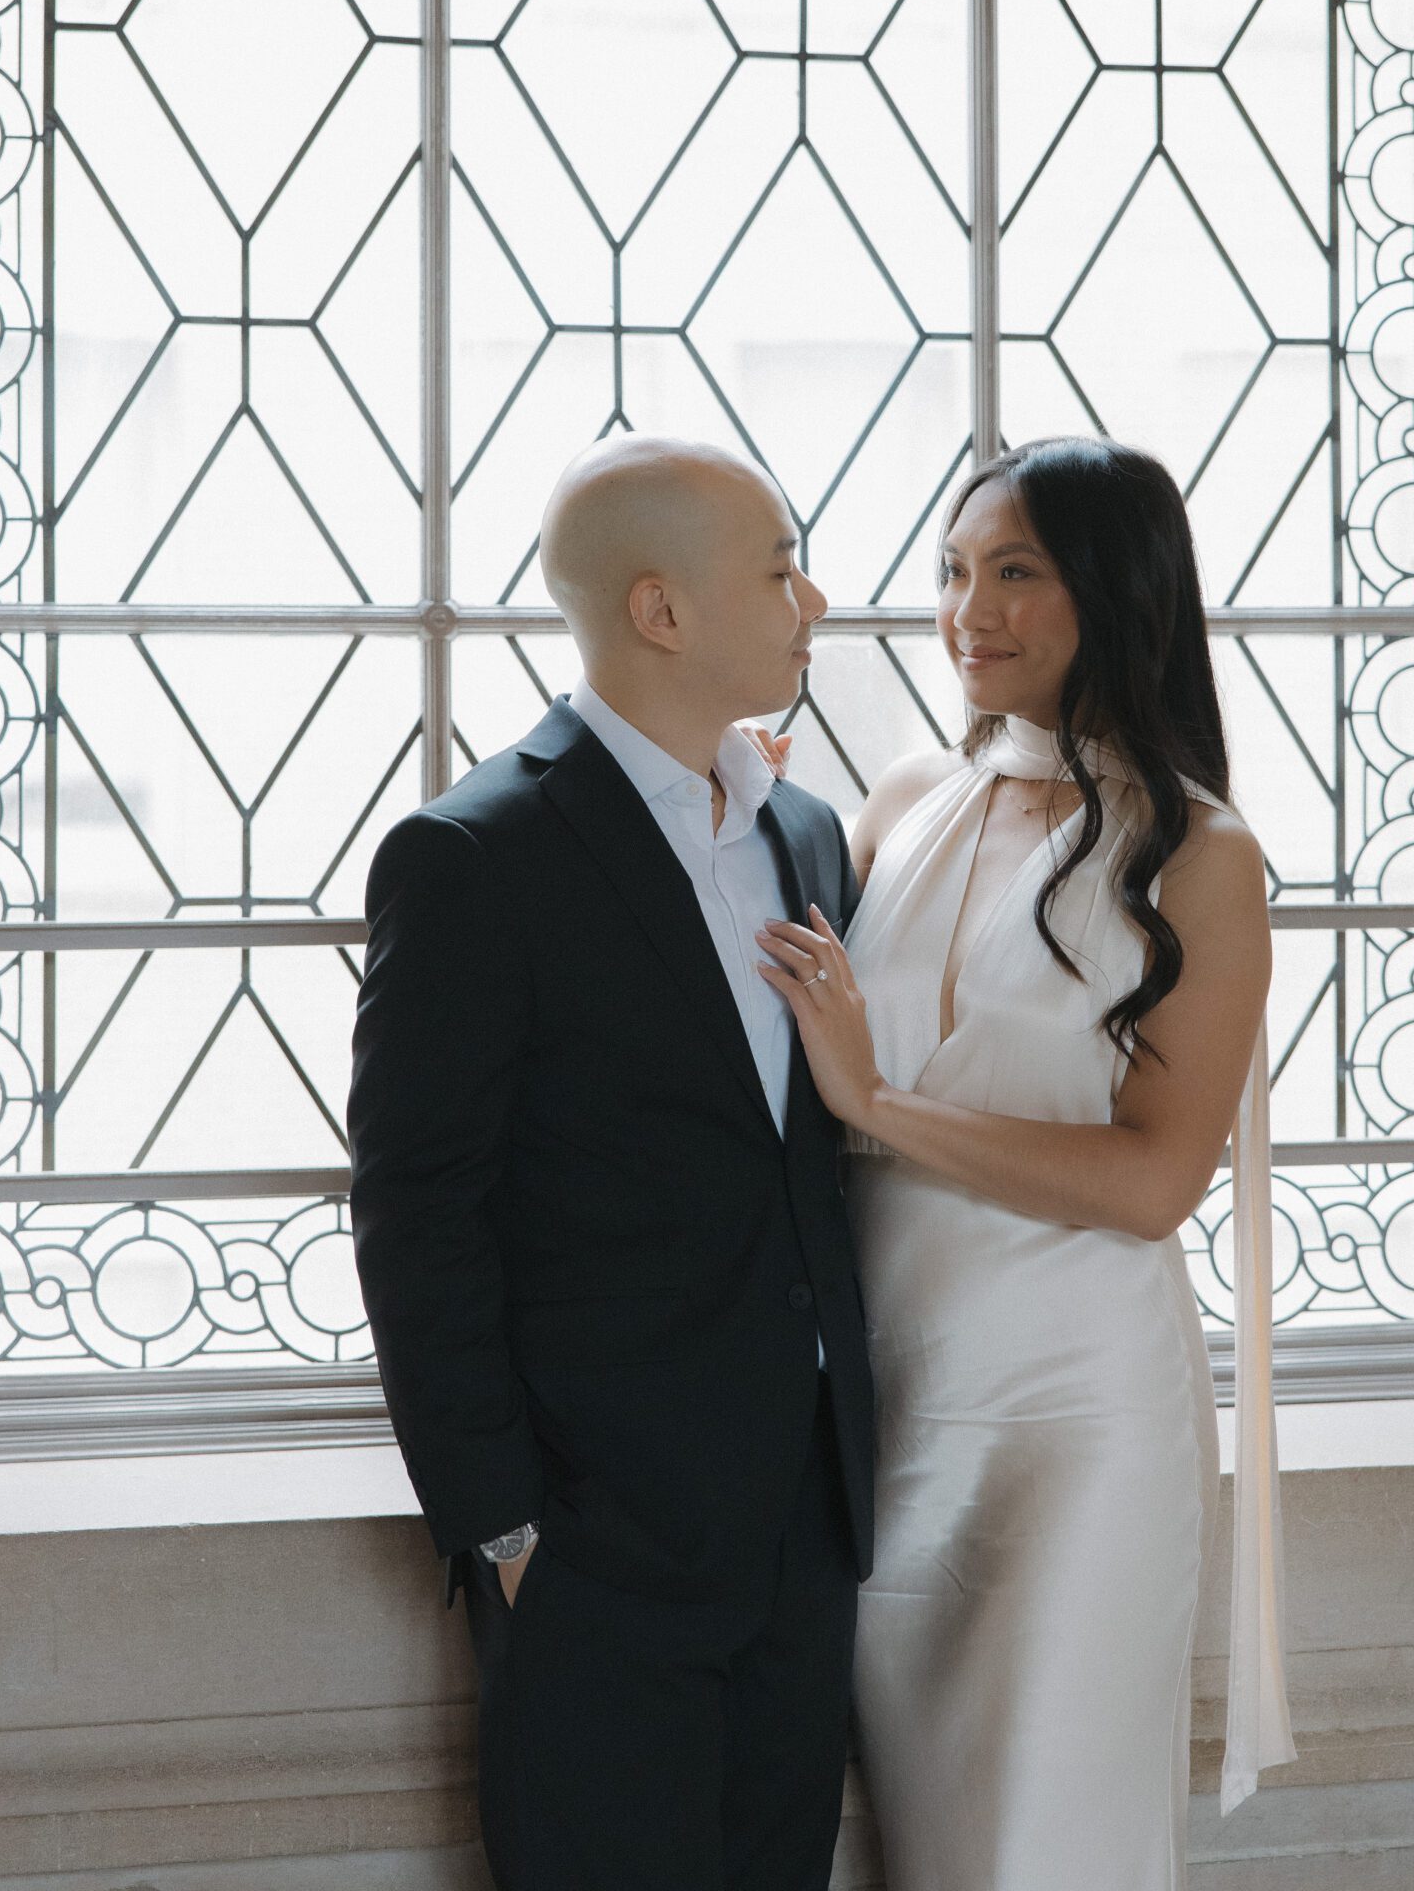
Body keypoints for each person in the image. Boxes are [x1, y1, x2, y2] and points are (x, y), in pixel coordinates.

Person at [753, 436, 1296, 1891]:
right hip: (892, 1402)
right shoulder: (903, 800)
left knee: (1047, 1838)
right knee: (931, 1845)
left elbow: (1152, 1180)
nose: (965, 610)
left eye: (1014, 573)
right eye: (951, 572)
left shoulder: (1200, 853)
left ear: (1113, 591)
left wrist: (877, 1099)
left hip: (1077, 1411)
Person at [348, 436, 875, 1891]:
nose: (812, 597)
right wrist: (503, 1526)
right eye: (779, 568)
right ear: (661, 612)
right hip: (592, 1551)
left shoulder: (812, 836)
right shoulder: (474, 855)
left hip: (804, 1534)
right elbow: (415, 1209)